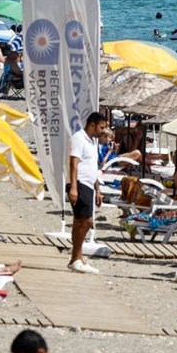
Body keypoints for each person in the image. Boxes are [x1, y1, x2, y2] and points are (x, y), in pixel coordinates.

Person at [67, 113, 106, 274]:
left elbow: (92, 167)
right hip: (80, 183)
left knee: (79, 221)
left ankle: (76, 258)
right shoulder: (79, 138)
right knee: (87, 221)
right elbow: (74, 163)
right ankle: (76, 258)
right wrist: (74, 187)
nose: (103, 131)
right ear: (92, 125)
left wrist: (98, 189)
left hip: (89, 184)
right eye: (101, 127)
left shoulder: (92, 142)